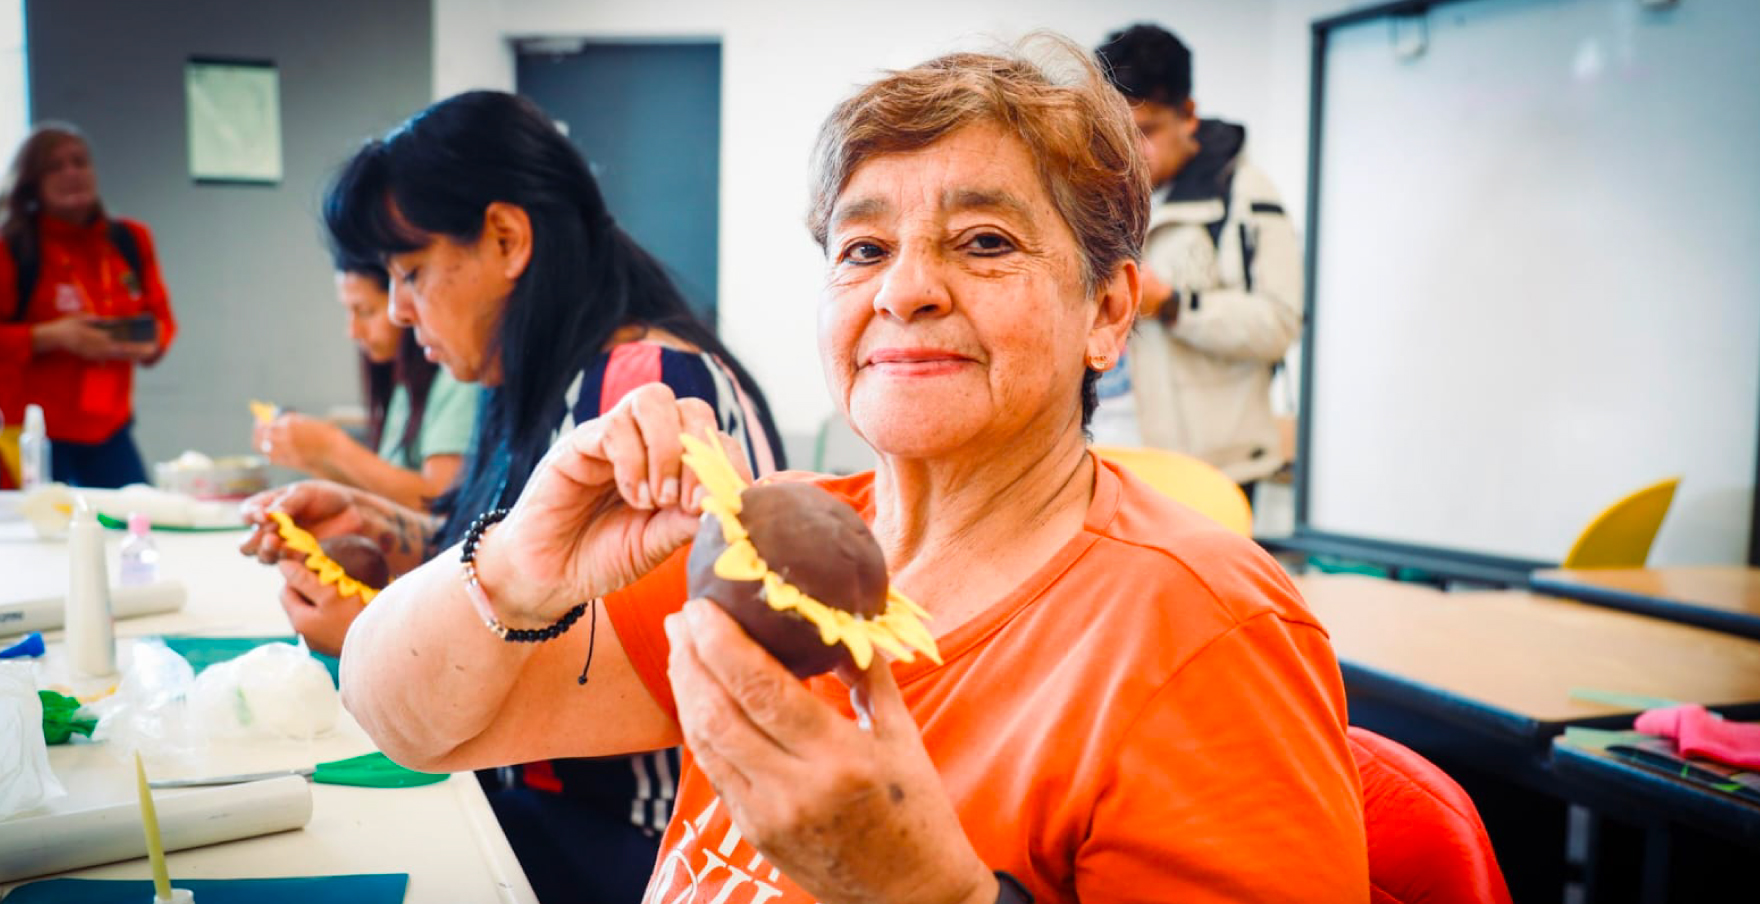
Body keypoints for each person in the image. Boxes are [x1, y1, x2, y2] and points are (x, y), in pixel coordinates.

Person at [329, 40, 1368, 903]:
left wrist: (927, 892)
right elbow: (407, 719)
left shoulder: (1205, 634)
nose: (903, 290)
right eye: (863, 250)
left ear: (1106, 311)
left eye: (984, 241)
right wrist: (518, 563)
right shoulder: (775, 554)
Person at [237, 91, 784, 904]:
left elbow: (600, 666)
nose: (398, 309)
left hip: (636, 841)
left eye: (411, 272)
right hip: (547, 807)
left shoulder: (643, 392)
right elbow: (522, 562)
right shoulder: (535, 376)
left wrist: (380, 640)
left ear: (505, 239)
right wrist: (383, 531)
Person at [1091, 24, 1303, 496]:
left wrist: (1171, 305)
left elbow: (1279, 325)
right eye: (1116, 132)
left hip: (1209, 471)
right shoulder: (1097, 198)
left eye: (1145, 131)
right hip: (1107, 459)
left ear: (1188, 115)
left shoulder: (1245, 195)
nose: (1128, 152)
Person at [0, 122, 175, 488]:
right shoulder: (14, 247)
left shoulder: (129, 239)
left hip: (110, 426)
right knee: (43, 521)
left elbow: (162, 321)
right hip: (35, 431)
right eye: (55, 166)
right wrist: (52, 336)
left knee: (136, 512)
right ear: (33, 182)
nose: (72, 173)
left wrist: (147, 342)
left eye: (80, 162)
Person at [252, 255, 478, 511]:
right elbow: (381, 498)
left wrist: (330, 446)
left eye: (366, 311)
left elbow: (440, 501)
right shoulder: (405, 383)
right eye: (349, 312)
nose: (352, 331)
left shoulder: (456, 376)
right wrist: (310, 457)